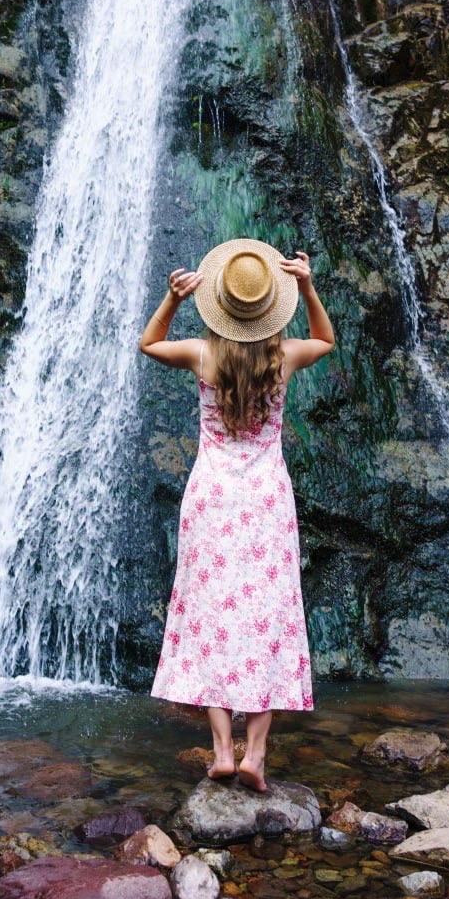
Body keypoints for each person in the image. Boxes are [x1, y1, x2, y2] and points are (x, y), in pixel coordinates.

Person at [139, 237, 335, 792]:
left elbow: (148, 342)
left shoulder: (202, 356)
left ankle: (222, 750)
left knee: (210, 615)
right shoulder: (285, 355)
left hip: (211, 498)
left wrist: (174, 300)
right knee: (267, 617)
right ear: (268, 307)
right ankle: (256, 754)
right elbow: (327, 337)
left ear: (220, 307)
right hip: (267, 499)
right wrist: (308, 285)